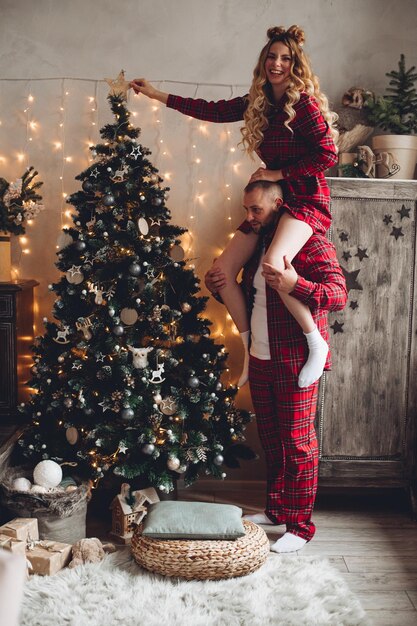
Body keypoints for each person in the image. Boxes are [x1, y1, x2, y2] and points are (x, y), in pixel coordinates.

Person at [130, 25, 339, 390]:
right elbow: (209, 110)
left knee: (275, 265)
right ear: (263, 61)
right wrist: (156, 95)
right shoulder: (259, 102)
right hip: (274, 202)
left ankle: (315, 343)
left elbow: (328, 154)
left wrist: (278, 172)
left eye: (285, 58)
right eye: (272, 57)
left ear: (295, 65)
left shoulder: (301, 104)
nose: (277, 64)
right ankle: (249, 351)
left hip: (305, 200)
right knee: (223, 271)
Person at [205, 180, 347, 552]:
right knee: (272, 441)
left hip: (296, 360)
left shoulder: (310, 242)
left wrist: (297, 283)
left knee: (298, 446)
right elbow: (247, 294)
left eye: (256, 210)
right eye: (246, 210)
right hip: (261, 358)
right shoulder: (258, 245)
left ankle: (300, 526)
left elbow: (338, 294)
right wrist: (215, 283)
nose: (248, 218)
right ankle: (277, 510)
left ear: (279, 204)